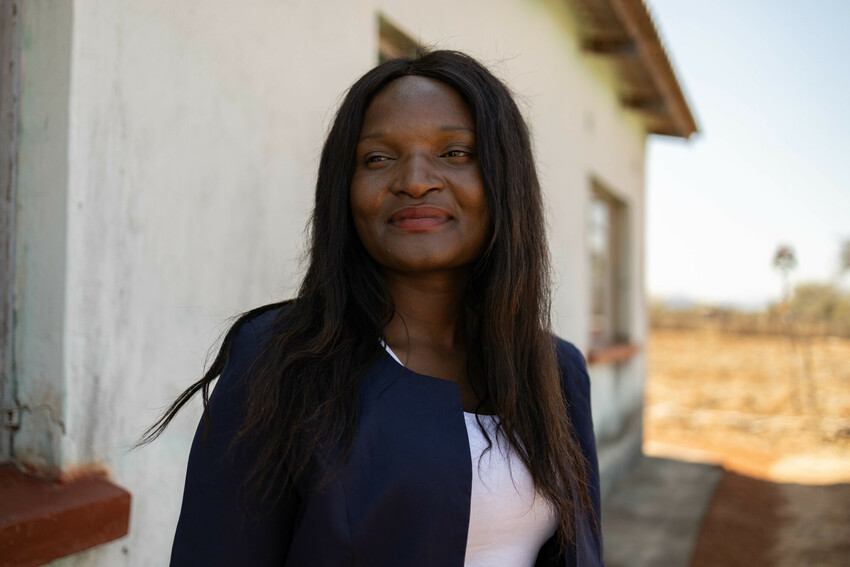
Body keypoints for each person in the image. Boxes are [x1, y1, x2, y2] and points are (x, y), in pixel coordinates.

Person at [143, 50, 603, 567]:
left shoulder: (557, 371)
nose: (414, 179)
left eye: (455, 152)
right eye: (378, 158)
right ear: (345, 190)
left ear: (506, 180)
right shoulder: (280, 361)